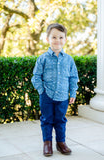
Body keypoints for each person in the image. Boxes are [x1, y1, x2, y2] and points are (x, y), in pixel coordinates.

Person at [31, 23, 78, 157]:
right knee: (47, 120)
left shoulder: (69, 60)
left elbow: (74, 77)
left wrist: (72, 92)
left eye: (61, 37)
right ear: (48, 39)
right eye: (54, 37)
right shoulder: (43, 59)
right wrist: (41, 91)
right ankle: (47, 143)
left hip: (63, 96)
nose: (57, 40)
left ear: (65, 39)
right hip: (47, 95)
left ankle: (61, 143)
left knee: (60, 120)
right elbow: (36, 77)